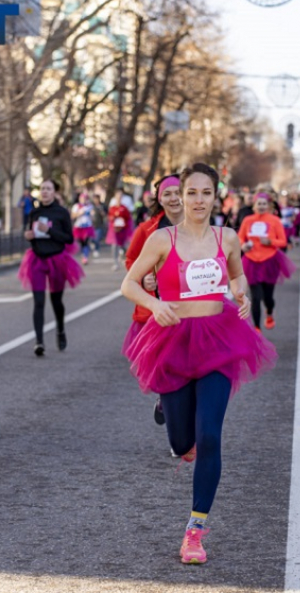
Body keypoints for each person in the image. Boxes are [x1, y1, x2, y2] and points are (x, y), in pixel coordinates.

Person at [121, 162, 277, 565]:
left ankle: (195, 529)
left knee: (210, 434)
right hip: (172, 342)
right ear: (181, 195)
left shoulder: (227, 238)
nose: (198, 200)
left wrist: (242, 295)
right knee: (180, 442)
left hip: (218, 342)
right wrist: (155, 305)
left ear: (216, 196)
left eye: (206, 193)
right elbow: (129, 284)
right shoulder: (161, 239)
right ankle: (183, 442)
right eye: (191, 192)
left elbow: (238, 278)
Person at [123, 174, 184, 426]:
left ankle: (183, 419)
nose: (173, 198)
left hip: (190, 308)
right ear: (160, 199)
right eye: (167, 194)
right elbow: (131, 261)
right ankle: (169, 408)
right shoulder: (147, 230)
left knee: (188, 368)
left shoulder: (200, 225)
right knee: (167, 367)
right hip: (156, 310)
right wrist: (145, 277)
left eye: (178, 192)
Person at [18, 179, 84, 356]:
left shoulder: (61, 213)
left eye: (48, 189)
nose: (45, 192)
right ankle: (39, 341)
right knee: (38, 302)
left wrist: (48, 230)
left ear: (55, 192)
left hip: (56, 259)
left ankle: (60, 329)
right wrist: (29, 236)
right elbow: (30, 233)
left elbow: (69, 238)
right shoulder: (34, 212)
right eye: (42, 189)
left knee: (56, 301)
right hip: (37, 259)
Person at [238, 192, 296, 332]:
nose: (262, 206)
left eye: (264, 204)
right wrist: (243, 246)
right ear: (254, 206)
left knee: (268, 297)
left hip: (269, 260)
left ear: (269, 206)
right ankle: (257, 328)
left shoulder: (274, 220)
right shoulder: (248, 220)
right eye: (259, 204)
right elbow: (240, 237)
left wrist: (270, 241)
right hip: (251, 261)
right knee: (255, 297)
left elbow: (282, 241)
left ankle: (269, 311)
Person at [106, 193, 133, 271]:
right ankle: (115, 262)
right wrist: (113, 217)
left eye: (120, 198)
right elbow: (109, 217)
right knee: (114, 246)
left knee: (123, 246)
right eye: (117, 198)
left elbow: (128, 218)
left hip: (123, 229)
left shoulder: (124, 208)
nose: (118, 199)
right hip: (114, 230)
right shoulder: (112, 208)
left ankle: (124, 257)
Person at [70, 192, 96, 265]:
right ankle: (83, 254)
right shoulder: (76, 206)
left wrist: (92, 215)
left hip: (87, 226)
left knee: (86, 241)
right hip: (79, 227)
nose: (83, 200)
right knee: (81, 242)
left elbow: (93, 218)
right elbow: (72, 216)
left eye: (85, 199)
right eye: (82, 198)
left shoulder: (90, 206)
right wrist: (79, 213)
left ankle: (85, 256)